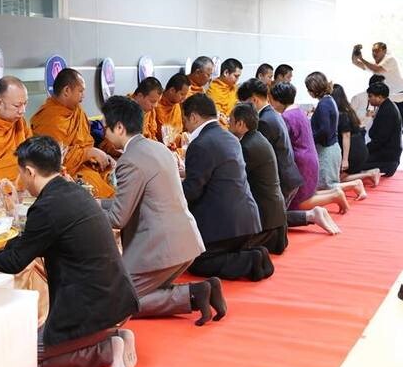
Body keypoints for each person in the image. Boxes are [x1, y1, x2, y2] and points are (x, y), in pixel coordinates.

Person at [0, 136, 139, 367]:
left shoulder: (46, 207)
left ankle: (105, 349)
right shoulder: (73, 191)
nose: (20, 180)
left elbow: (14, 262)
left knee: (23, 355)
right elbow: (32, 243)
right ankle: (114, 336)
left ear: (30, 172)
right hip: (116, 297)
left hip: (91, 307)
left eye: (21, 173)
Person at [100, 96, 226, 326]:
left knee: (114, 302)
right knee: (138, 293)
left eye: (105, 128)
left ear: (119, 127)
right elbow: (133, 201)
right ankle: (199, 291)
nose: (104, 134)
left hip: (160, 247)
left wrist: (87, 212)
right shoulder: (157, 148)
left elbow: (118, 217)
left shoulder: (129, 160)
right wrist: (97, 203)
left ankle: (193, 294)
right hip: (185, 240)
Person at [181, 94, 271, 281]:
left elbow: (192, 190)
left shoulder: (200, 144)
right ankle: (254, 252)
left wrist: (169, 189)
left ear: (194, 117)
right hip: (246, 220)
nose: (185, 126)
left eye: (185, 120)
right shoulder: (229, 138)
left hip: (224, 224)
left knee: (199, 263)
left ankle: (252, 259)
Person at [243, 79, 341, 234]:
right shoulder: (288, 114)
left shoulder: (276, 118)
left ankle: (312, 214)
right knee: (291, 206)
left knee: (273, 217)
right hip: (300, 162)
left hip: (296, 163)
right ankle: (314, 213)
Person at [31, 68, 115, 198]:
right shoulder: (50, 118)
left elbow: (86, 142)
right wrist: (88, 153)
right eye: (80, 91)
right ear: (67, 91)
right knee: (93, 187)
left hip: (85, 165)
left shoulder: (77, 111)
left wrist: (98, 156)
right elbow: (53, 158)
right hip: (64, 173)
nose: (84, 95)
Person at [229, 102, 288, 255]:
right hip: (275, 215)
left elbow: (232, 177)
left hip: (267, 222)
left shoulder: (248, 147)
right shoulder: (257, 138)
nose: (228, 125)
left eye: (230, 121)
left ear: (241, 124)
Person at [306, 72, 367, 200]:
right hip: (331, 147)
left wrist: (309, 137)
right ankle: (355, 185)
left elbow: (324, 131)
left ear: (313, 90)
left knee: (327, 185)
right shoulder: (329, 100)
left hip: (326, 150)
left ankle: (355, 184)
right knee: (326, 184)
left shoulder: (323, 104)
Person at [332, 84, 381, 186]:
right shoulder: (349, 110)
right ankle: (370, 173)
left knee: (339, 180)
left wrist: (345, 159)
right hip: (360, 147)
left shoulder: (341, 114)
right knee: (340, 176)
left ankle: (370, 174)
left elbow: (346, 136)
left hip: (353, 151)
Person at [360, 82, 402, 176]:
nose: (369, 99)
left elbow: (380, 140)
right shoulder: (386, 106)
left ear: (379, 97)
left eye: (370, 96)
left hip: (388, 159)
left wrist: (364, 151)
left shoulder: (387, 111)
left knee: (356, 163)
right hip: (386, 153)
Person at [154, 73, 190, 145]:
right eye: (182, 94)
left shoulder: (176, 105)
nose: (184, 98)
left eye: (185, 95)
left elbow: (178, 132)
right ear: (172, 90)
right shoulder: (155, 104)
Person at [207, 58, 243, 126]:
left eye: (238, 77)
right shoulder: (214, 90)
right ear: (226, 73)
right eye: (236, 76)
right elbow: (216, 116)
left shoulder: (234, 88)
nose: (237, 80)